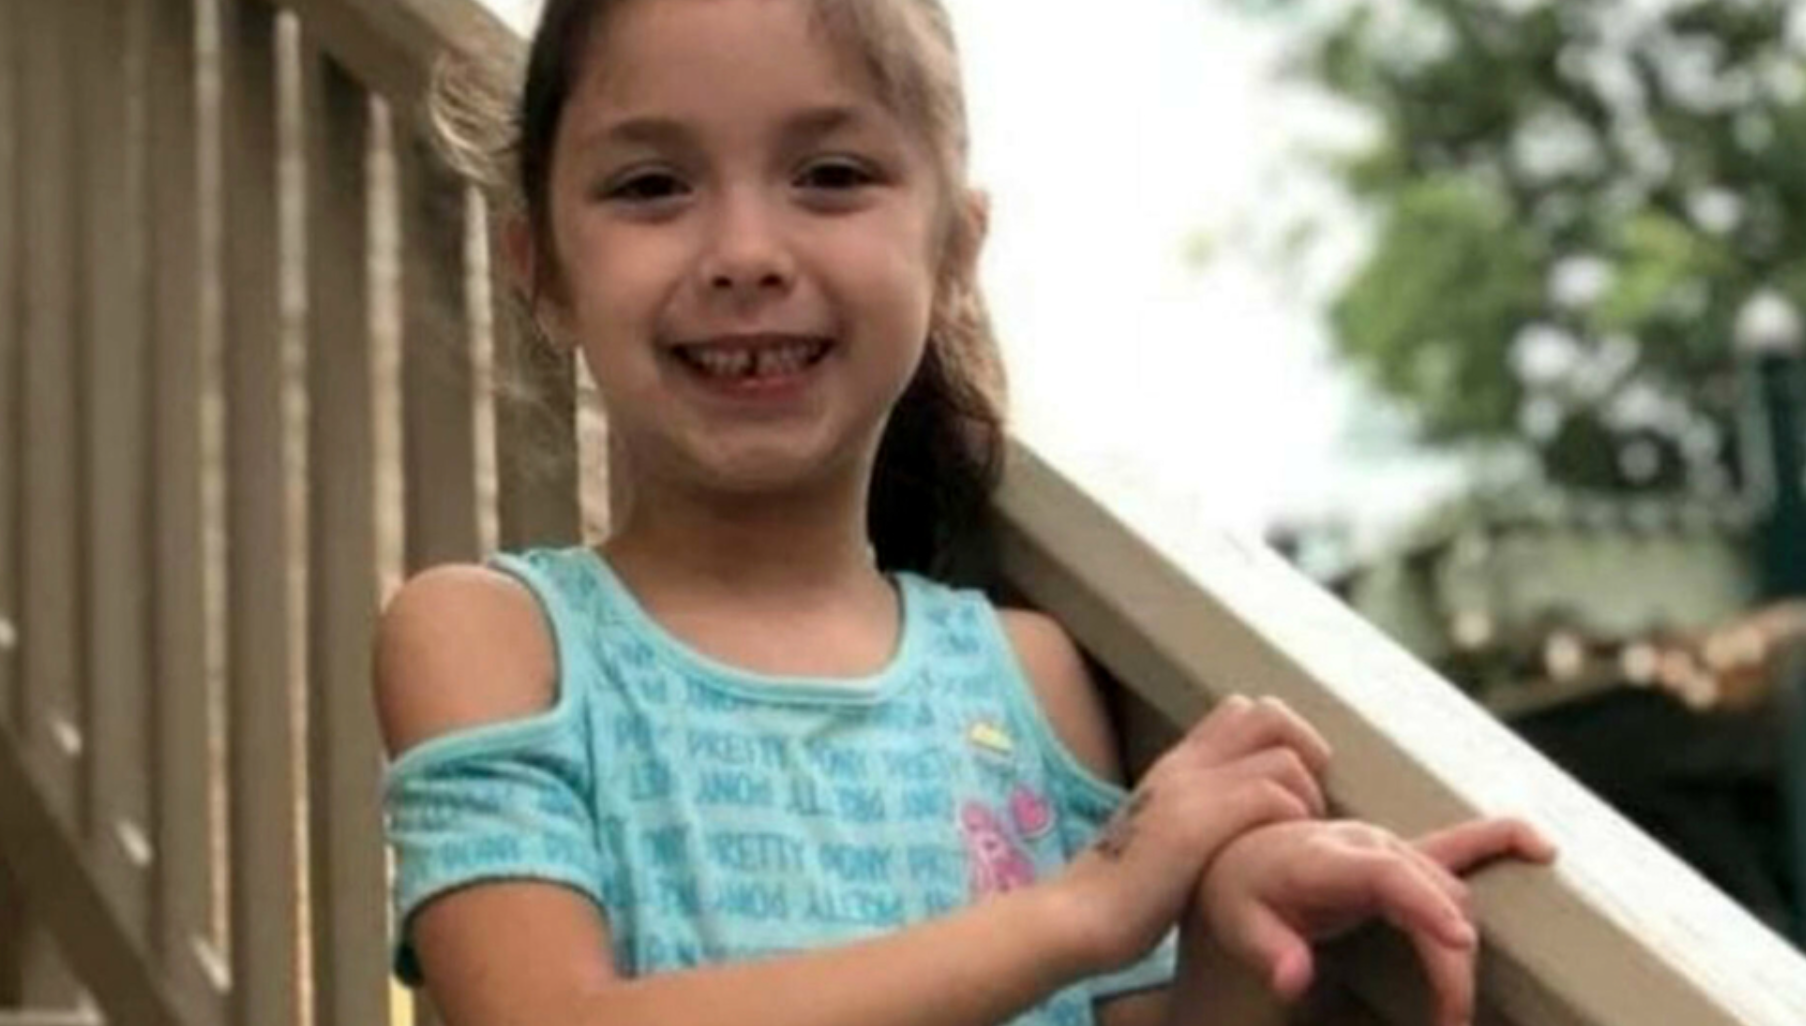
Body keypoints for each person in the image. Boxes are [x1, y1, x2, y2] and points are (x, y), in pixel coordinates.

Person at [372, 1, 1556, 1024]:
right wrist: (1081, 908)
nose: (744, 252)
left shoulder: (1025, 680)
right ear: (541, 269)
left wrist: (1236, 947)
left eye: (831, 176)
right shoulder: (495, 641)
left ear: (952, 254)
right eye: (651, 186)